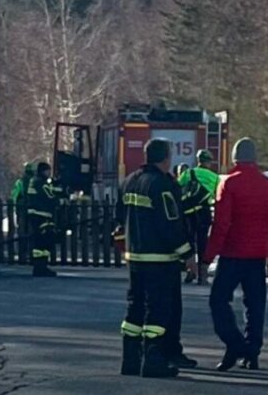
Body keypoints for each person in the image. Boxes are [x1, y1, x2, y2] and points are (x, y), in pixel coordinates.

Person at [116, 139, 195, 378]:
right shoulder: (162, 185)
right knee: (158, 311)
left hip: (135, 258)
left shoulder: (129, 182)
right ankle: (153, 361)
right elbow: (171, 224)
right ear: (166, 158)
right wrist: (188, 255)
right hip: (160, 259)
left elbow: (120, 218)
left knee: (135, 308)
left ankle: (130, 361)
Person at [204, 138, 268, 372]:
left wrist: (207, 256)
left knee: (218, 300)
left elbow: (221, 224)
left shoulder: (229, 184)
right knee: (255, 305)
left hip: (232, 254)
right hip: (257, 256)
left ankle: (234, 344)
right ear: (255, 158)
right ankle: (252, 351)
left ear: (235, 158)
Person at [178, 150, 219, 284]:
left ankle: (191, 270)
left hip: (188, 213)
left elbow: (177, 188)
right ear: (209, 162)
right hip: (204, 212)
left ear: (198, 160)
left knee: (189, 242)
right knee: (203, 243)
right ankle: (203, 275)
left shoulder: (188, 173)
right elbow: (218, 195)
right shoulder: (214, 177)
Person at [27, 162, 58, 277]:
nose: (49, 173)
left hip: (37, 215)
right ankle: (41, 267)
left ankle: (40, 267)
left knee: (41, 242)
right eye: (47, 171)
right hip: (41, 215)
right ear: (42, 171)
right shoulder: (41, 183)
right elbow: (50, 196)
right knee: (43, 241)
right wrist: (60, 200)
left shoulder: (35, 181)